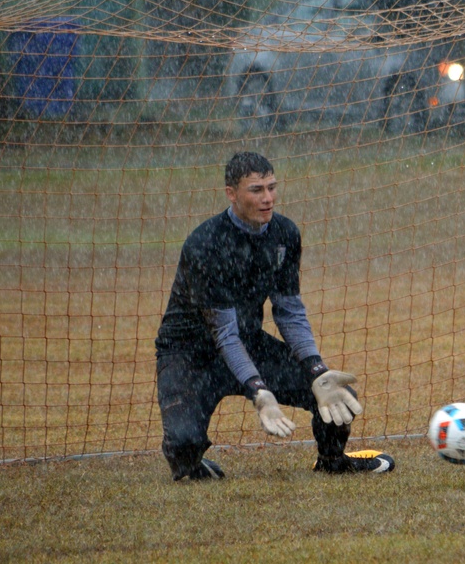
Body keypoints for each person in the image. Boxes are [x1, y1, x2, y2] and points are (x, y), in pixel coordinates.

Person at [154, 151, 395, 480]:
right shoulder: (206, 244)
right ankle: (190, 462)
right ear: (231, 194)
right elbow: (224, 334)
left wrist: (316, 369)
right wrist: (260, 392)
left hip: (247, 342)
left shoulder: (285, 234)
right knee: (184, 446)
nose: (267, 198)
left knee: (337, 398)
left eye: (271, 187)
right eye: (256, 190)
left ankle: (332, 461)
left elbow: (290, 312)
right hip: (189, 353)